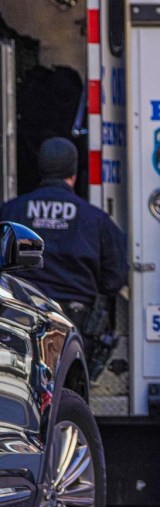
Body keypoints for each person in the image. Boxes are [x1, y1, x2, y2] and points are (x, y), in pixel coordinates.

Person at [0, 137, 127, 373]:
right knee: (70, 392)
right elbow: (115, 277)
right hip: (74, 324)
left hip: (18, 319)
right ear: (74, 172)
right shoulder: (95, 219)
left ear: (40, 169)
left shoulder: (11, 210)